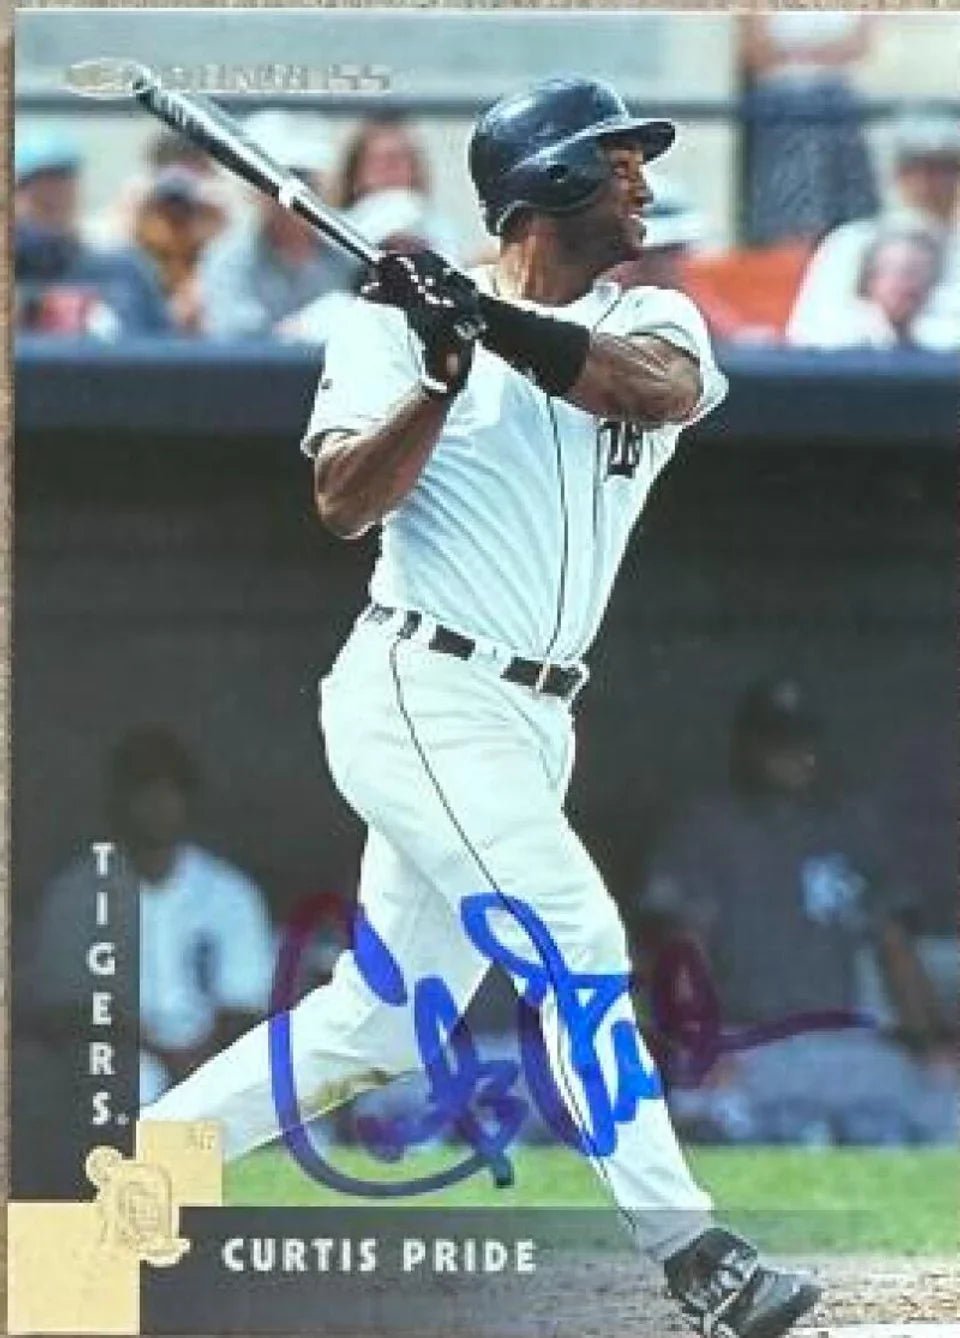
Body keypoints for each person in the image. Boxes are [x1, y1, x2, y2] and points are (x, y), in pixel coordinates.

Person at [146, 77, 819, 1338]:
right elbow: (344, 502)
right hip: (421, 686)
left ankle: (133, 1181)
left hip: (534, 718)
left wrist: (489, 324)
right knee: (575, 938)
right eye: (617, 161)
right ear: (549, 181)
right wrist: (440, 377)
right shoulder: (392, 326)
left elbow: (646, 390)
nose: (641, 183)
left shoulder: (654, 312)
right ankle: (693, 1252)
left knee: (383, 1022)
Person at [638, 679, 954, 1147]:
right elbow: (683, 949)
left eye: (800, 740)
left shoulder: (849, 827)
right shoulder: (708, 829)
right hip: (747, 1044)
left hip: (844, 1046)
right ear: (746, 745)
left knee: (948, 1100)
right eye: (775, 740)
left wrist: (932, 1042)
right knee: (699, 1105)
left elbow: (895, 947)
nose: (790, 754)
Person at [29, 727, 275, 1105]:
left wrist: (198, 1063)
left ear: (187, 800)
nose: (157, 805)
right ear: (119, 801)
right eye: (143, 790)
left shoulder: (230, 894)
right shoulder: (75, 894)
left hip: (211, 1073)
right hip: (109, 1076)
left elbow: (244, 1005)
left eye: (168, 791)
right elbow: (62, 1010)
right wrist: (156, 1050)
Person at [788, 112, 960, 343]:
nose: (929, 182)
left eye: (946, 169)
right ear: (897, 175)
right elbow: (809, 332)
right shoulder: (849, 242)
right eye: (915, 168)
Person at [200, 110, 357, 337]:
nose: (294, 195)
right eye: (275, 183)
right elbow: (237, 337)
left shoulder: (348, 253)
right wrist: (303, 329)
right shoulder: (227, 259)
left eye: (303, 178)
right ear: (254, 190)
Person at [14, 129, 171, 337]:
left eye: (62, 182)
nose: (52, 194)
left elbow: (165, 343)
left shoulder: (123, 267)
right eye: (37, 185)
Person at [740, 12, 878, 246]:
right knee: (789, 193)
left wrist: (794, 55)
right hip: (780, 105)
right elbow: (755, 52)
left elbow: (859, 46)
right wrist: (822, 56)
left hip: (839, 102)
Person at [276, 188, 437, 345]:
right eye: (392, 250)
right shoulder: (330, 315)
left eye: (415, 251)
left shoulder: (443, 317)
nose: (407, 264)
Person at [788, 228, 959, 351]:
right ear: (870, 277)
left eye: (918, 274)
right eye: (898, 272)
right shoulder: (842, 340)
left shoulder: (938, 345)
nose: (907, 285)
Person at [338, 113, 462, 260]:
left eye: (399, 159)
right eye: (379, 161)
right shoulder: (335, 230)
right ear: (356, 173)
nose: (390, 169)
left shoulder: (438, 228)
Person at [133, 166, 227, 334]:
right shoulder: (140, 248)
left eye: (182, 208)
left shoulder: (208, 247)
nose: (174, 213)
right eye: (166, 207)